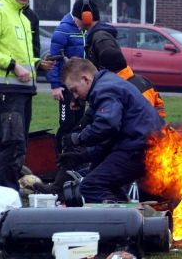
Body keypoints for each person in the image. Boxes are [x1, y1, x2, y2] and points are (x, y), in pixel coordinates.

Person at [58, 58, 164, 203]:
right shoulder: (107, 83)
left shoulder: (104, 89)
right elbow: (112, 137)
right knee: (104, 183)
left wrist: (78, 138)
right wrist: (84, 156)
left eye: (74, 90)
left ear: (85, 79)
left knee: (91, 186)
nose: (75, 96)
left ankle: (121, 221)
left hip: (140, 149)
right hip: (143, 146)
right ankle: (126, 215)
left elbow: (107, 125)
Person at [0, 0, 55, 191]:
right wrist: (13, 66)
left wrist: (38, 64)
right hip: (7, 92)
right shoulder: (1, 11)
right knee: (12, 145)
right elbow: (11, 59)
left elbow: (24, 57)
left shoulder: (23, 16)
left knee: (19, 145)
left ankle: (8, 191)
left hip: (24, 92)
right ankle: (6, 193)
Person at [70, 0, 166, 119]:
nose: (74, 21)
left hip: (117, 93)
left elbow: (115, 61)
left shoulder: (100, 37)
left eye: (76, 17)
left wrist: (105, 88)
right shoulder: (96, 36)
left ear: (86, 16)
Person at [47, 11, 86, 152]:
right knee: (67, 123)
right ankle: (58, 155)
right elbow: (54, 60)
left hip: (82, 88)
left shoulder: (85, 30)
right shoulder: (62, 31)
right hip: (66, 87)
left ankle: (74, 154)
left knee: (80, 123)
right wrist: (55, 86)